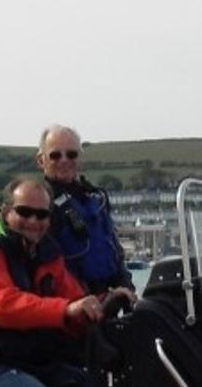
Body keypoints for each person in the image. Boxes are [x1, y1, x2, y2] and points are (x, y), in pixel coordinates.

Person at [0, 177, 106, 387]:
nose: (33, 221)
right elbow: (2, 305)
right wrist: (65, 310)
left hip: (30, 359)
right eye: (24, 212)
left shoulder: (47, 253)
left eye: (42, 215)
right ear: (6, 211)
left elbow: (73, 298)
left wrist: (102, 304)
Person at [36, 124, 136, 303]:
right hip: (72, 306)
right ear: (41, 160)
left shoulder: (96, 198)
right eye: (55, 155)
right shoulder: (40, 204)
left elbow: (114, 252)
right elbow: (44, 267)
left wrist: (127, 289)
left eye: (71, 154)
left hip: (109, 300)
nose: (64, 160)